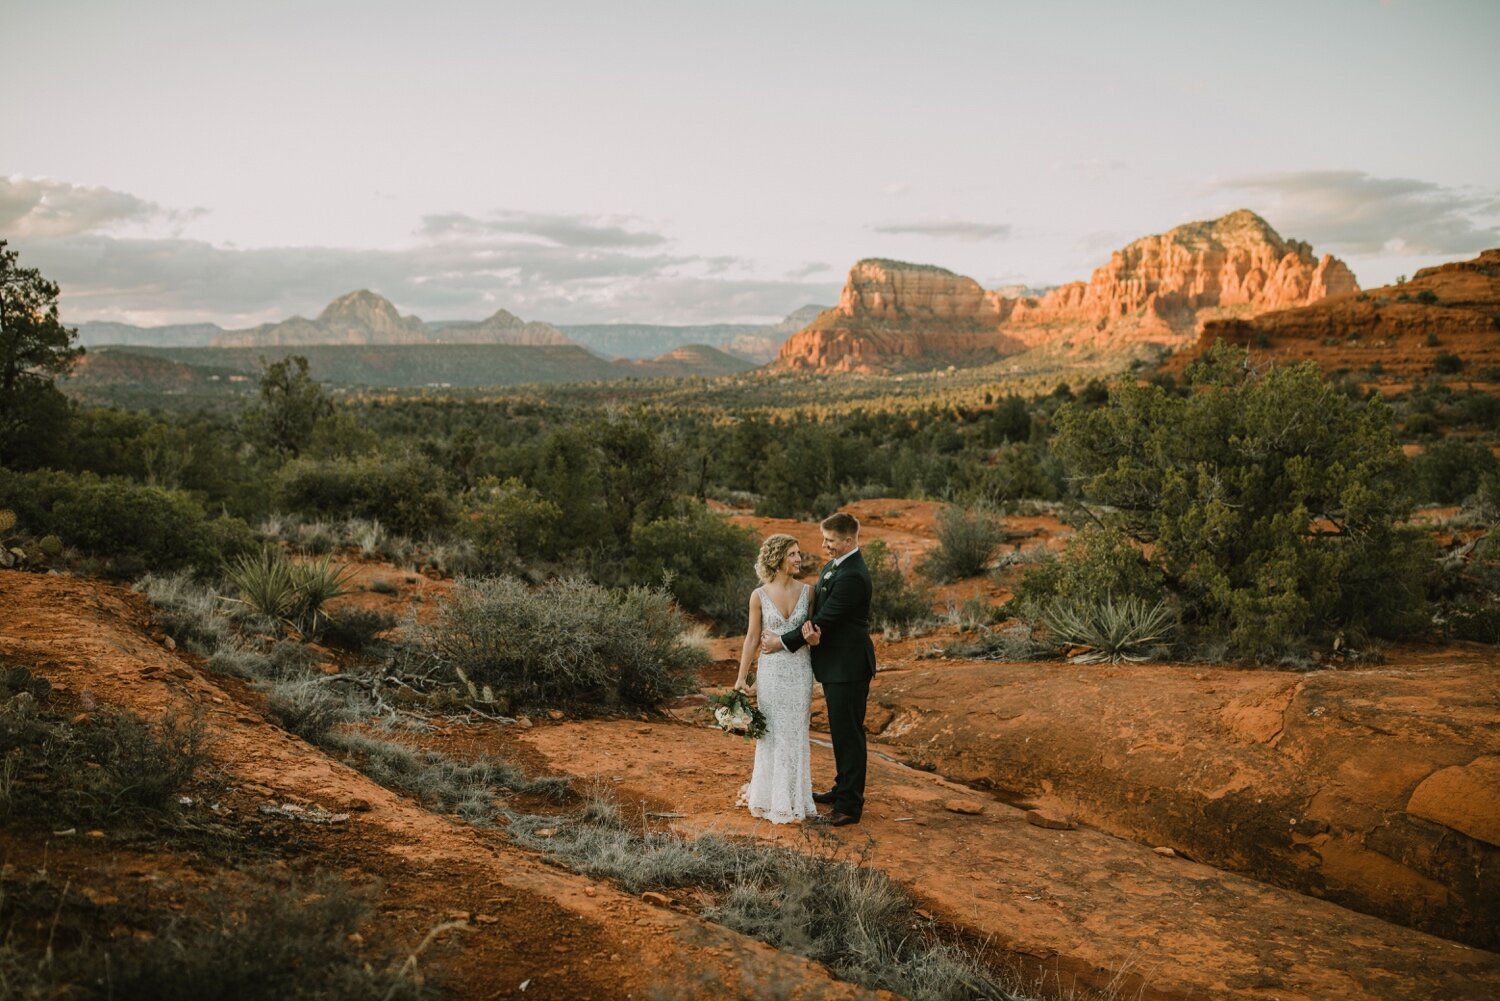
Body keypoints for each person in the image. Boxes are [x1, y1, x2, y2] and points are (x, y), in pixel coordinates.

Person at [761, 512, 876, 827]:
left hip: (849, 666)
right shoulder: (838, 565)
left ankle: (850, 806)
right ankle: (842, 790)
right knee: (841, 731)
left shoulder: (853, 575)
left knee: (849, 734)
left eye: (830, 540)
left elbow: (824, 620)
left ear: (848, 540)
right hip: (836, 665)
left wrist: (782, 642)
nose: (824, 545)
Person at [733, 534, 817, 824]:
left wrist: (815, 639)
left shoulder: (809, 592)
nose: (798, 559)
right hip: (771, 675)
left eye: (798, 553)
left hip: (800, 673)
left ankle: (795, 800)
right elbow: (752, 638)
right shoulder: (758, 596)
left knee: (795, 734)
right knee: (771, 735)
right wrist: (741, 679)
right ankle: (770, 799)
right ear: (778, 558)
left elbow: (812, 634)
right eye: (792, 554)